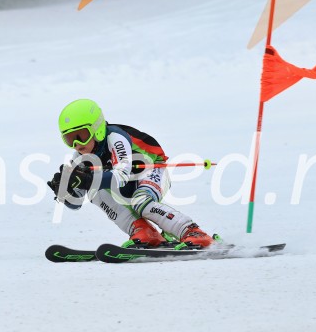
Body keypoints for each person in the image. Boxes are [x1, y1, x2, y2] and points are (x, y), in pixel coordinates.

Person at [47, 99, 215, 248]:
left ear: (97, 129)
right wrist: (65, 192)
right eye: (69, 139)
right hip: (129, 181)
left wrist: (87, 179)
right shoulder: (80, 157)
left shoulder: (115, 138)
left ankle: (192, 231)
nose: (76, 144)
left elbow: (121, 176)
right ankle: (143, 231)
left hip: (152, 170)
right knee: (94, 192)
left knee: (141, 202)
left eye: (81, 135)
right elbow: (76, 203)